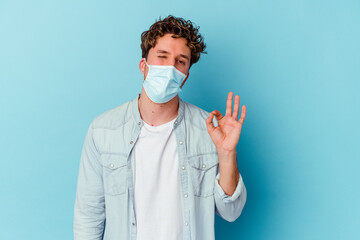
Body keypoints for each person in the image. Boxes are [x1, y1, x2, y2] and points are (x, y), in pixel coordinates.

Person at [74, 15, 247, 240]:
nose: (170, 67)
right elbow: (89, 215)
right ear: (143, 66)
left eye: (180, 61)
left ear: (184, 77)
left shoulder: (211, 130)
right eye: (162, 57)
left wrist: (226, 153)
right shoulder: (103, 130)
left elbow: (231, 212)